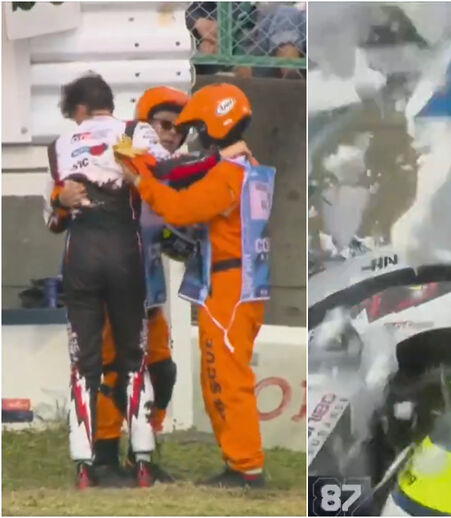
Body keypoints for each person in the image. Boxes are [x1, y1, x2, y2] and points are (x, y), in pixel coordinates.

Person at [46, 86, 241, 485]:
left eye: (179, 131)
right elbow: (55, 214)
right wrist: (63, 201)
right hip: (117, 270)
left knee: (160, 371)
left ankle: (139, 454)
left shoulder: (89, 151)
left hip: (144, 288)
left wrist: (184, 238)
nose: (171, 136)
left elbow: (184, 232)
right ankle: (102, 457)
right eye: (164, 126)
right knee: (109, 367)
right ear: (146, 124)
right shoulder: (135, 148)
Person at [116, 83, 273, 488]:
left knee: (226, 378)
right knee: (218, 376)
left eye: (199, 127)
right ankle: (239, 462)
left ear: (215, 123)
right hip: (238, 283)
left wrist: (141, 181)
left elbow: (179, 206)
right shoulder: (245, 166)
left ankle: (245, 467)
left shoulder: (229, 173)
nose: (195, 137)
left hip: (229, 286)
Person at [45, 75, 169, 489]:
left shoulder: (58, 147)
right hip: (124, 249)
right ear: (108, 104)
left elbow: (52, 221)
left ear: (77, 110)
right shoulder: (137, 132)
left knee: (85, 360)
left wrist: (60, 202)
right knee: (134, 354)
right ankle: (144, 461)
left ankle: (84, 466)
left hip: (79, 251)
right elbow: (163, 180)